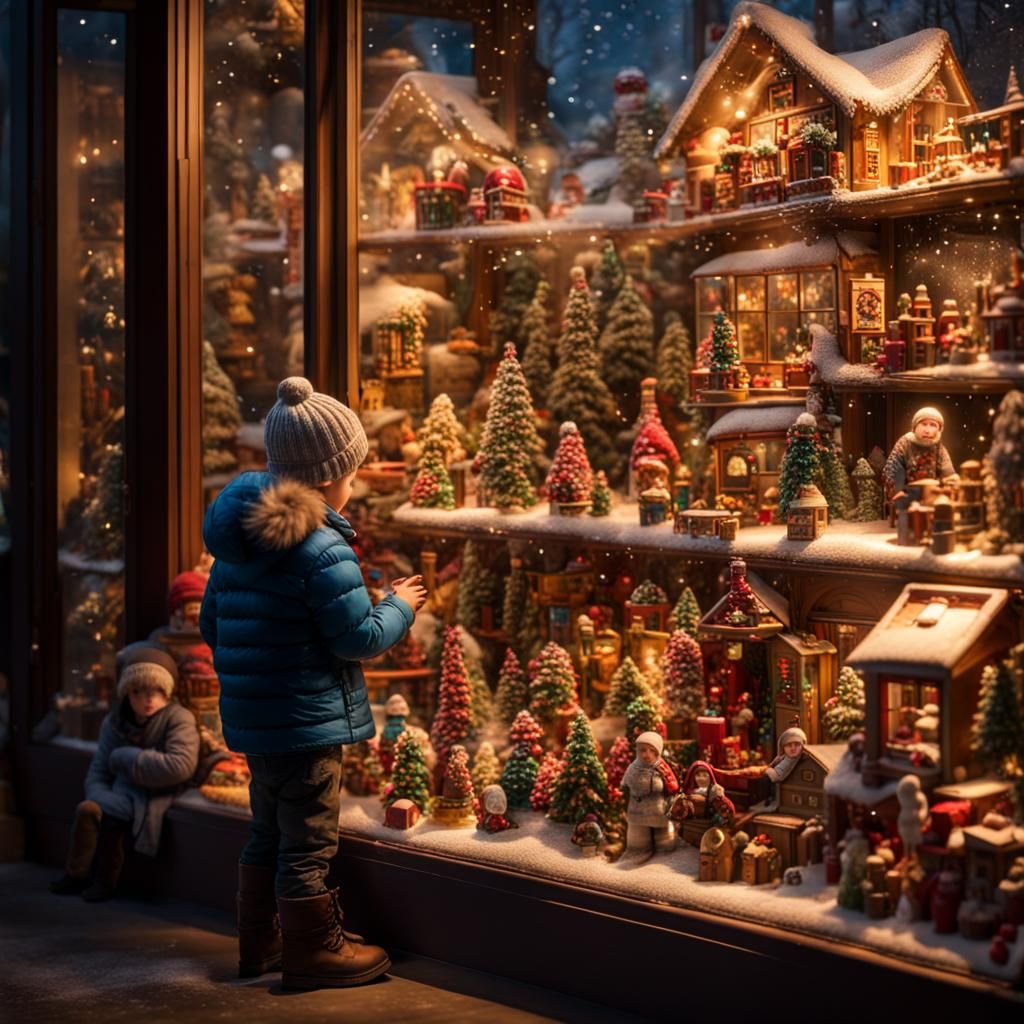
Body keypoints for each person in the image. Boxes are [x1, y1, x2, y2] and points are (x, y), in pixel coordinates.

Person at [200, 376, 427, 991]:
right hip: (306, 722)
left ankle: (259, 940)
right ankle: (311, 948)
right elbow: (355, 638)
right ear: (328, 477)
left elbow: (211, 623)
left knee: (267, 828)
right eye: (352, 472)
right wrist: (399, 606)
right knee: (309, 839)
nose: (353, 485)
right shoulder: (322, 548)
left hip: (257, 721)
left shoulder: (237, 545)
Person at [50, 646, 200, 902]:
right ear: (127, 694)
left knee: (112, 824)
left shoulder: (178, 718)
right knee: (89, 809)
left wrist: (126, 757)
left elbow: (180, 765)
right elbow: (98, 770)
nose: (148, 699)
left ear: (166, 692)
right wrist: (101, 797)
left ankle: (106, 882)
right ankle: (76, 874)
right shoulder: (115, 723)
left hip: (154, 794)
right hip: (120, 793)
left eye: (155, 691)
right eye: (138, 692)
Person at [620, 731, 679, 860]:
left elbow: (672, 785)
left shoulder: (662, 768)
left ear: (657, 752)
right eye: (643, 750)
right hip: (637, 810)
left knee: (663, 840)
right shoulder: (633, 767)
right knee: (639, 841)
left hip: (657, 809)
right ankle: (638, 853)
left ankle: (664, 853)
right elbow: (625, 784)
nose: (646, 754)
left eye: (651, 750)